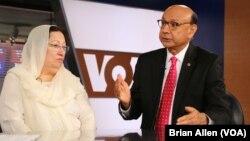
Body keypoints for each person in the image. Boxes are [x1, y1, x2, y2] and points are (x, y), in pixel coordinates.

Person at [114, 4, 232, 139]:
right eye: (163, 23)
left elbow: (223, 111)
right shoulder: (146, 61)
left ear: (191, 30)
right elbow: (134, 112)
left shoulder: (208, 63)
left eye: (174, 24)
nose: (164, 30)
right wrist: (127, 102)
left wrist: (204, 119)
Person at [0, 25, 96, 133]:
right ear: (38, 47)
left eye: (64, 47)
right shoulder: (17, 78)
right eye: (55, 45)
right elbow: (12, 122)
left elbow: (88, 118)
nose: (61, 52)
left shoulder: (72, 81)